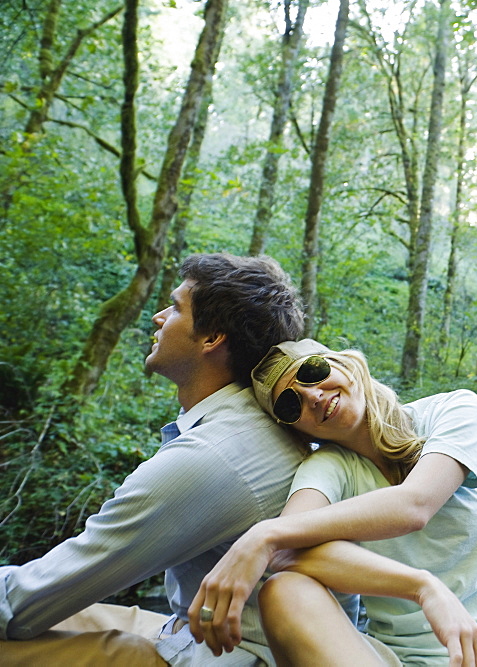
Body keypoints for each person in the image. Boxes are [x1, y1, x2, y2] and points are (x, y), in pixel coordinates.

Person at [0, 253, 307, 666]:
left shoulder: (212, 455)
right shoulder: (250, 423)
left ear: (211, 338)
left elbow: (36, 598)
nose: (159, 318)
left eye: (176, 308)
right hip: (191, 630)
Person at [189, 339, 477, 666]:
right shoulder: (328, 467)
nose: (312, 395)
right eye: (291, 405)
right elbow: (285, 553)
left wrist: (263, 534)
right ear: (297, 430)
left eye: (312, 372)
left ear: (347, 364)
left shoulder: (452, 411)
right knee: (284, 589)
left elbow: (415, 505)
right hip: (390, 660)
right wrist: (422, 587)